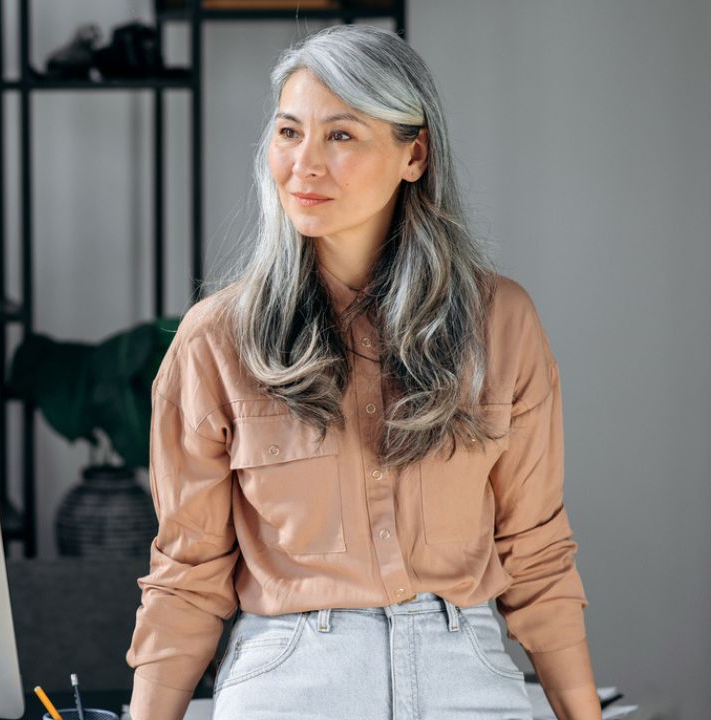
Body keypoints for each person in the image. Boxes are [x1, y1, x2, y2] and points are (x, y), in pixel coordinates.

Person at [125, 24, 600, 720]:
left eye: (341, 135)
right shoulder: (216, 340)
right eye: (289, 133)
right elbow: (187, 574)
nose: (304, 164)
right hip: (291, 673)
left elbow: (536, 553)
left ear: (415, 154)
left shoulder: (501, 321)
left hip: (466, 669)